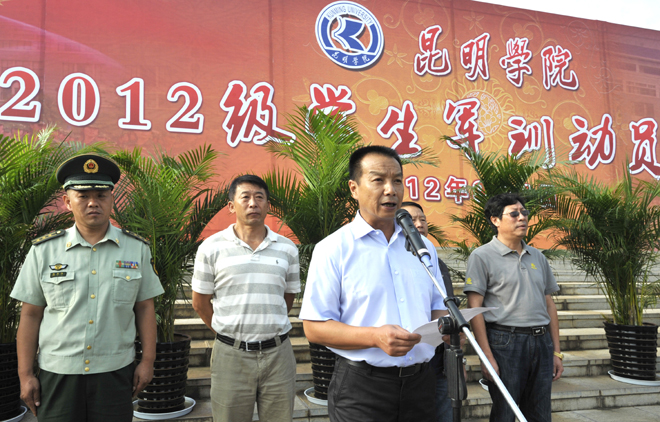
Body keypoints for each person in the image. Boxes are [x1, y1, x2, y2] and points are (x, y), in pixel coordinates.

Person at [299, 146, 448, 422]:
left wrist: (446, 328)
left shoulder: (423, 247)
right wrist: (374, 337)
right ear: (354, 188)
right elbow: (314, 327)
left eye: (397, 180)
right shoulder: (333, 248)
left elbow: (438, 306)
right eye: (378, 180)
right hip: (362, 389)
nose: (391, 190)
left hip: (420, 385)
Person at [11, 154, 164, 422]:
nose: (93, 202)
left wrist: (147, 361)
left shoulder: (136, 249)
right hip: (58, 372)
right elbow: (31, 314)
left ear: (111, 199)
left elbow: (144, 308)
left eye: (101, 195)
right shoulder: (44, 251)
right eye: (82, 195)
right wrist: (25, 375)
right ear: (67, 201)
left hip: (115, 372)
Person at [191, 174, 300, 422]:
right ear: (231, 206)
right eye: (246, 197)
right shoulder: (211, 247)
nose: (253, 203)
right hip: (231, 357)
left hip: (278, 355)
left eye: (259, 197)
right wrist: (229, 334)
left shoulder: (287, 248)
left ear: (268, 205)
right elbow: (200, 303)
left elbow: (288, 297)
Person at [463, 193, 563, 422]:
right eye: (514, 214)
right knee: (505, 413)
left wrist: (556, 352)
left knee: (540, 414)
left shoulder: (537, 256)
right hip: (505, 343)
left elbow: (549, 304)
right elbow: (474, 308)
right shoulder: (482, 256)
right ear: (495, 220)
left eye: (524, 213)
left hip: (541, 342)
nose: (522, 218)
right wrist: (486, 356)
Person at [400, 201, 455, 422]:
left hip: (439, 359)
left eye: (423, 219)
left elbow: (444, 307)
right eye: (411, 220)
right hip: (409, 358)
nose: (419, 224)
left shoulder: (434, 260)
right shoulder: (396, 262)